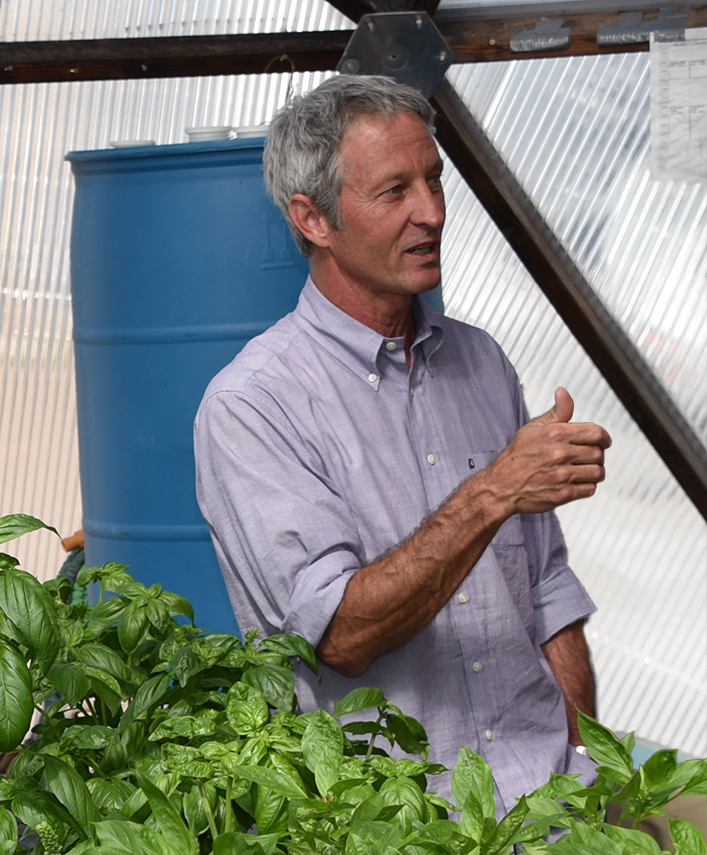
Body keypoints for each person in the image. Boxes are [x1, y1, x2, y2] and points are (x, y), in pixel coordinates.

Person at [194, 74, 612, 814]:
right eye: (394, 191)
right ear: (312, 218)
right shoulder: (253, 403)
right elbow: (343, 633)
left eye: (434, 180)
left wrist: (585, 763)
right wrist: (494, 489)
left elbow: (547, 593)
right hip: (402, 823)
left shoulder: (480, 362)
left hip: (554, 802)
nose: (432, 212)